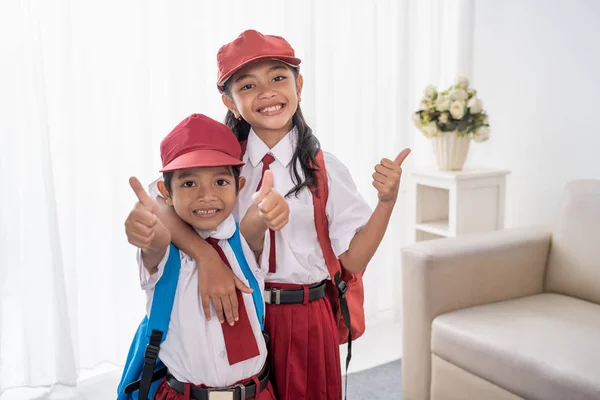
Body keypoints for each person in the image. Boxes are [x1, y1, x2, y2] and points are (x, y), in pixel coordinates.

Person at [153, 30, 411, 400]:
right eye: (247, 85)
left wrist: (386, 202)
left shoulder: (325, 169)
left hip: (305, 316)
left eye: (278, 78)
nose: (267, 92)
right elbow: (159, 204)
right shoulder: (221, 167)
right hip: (239, 310)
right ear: (228, 99)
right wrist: (205, 256)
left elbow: (353, 259)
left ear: (298, 85)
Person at [124, 113, 289, 399]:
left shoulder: (242, 242)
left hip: (257, 392)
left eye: (220, 182)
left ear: (239, 187)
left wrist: (271, 208)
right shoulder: (167, 254)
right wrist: (145, 231)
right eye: (189, 184)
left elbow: (256, 220)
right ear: (166, 192)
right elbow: (156, 243)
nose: (206, 195)